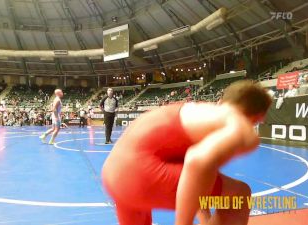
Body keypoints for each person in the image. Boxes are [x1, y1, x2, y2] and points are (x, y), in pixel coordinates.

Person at [102, 80, 272, 225]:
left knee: (201, 179)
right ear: (258, 118)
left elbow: (198, 179)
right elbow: (197, 163)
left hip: (114, 175)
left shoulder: (200, 112)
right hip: (140, 176)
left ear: (221, 100)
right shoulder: (237, 123)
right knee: (240, 196)